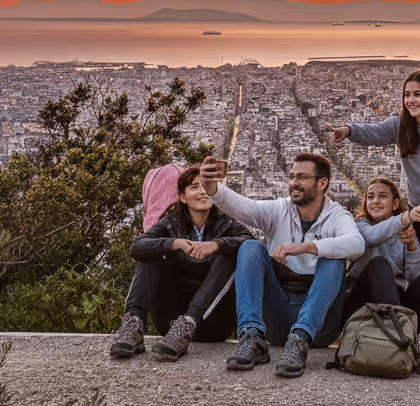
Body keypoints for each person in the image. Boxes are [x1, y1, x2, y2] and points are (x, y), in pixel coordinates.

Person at [330, 69, 420, 359]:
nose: (411, 100)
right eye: (407, 94)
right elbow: (375, 132)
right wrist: (348, 130)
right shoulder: (401, 126)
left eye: (417, 94)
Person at [199, 152, 365, 378]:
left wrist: (306, 247)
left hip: (319, 328)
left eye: (302, 177)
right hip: (276, 320)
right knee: (250, 247)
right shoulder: (279, 210)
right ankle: (252, 337)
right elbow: (243, 207)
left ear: (322, 183)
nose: (294, 183)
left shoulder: (337, 215)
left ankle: (300, 338)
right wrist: (211, 188)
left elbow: (356, 244)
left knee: (333, 257)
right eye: (292, 176)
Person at [110, 164, 255, 361]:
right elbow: (137, 247)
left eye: (206, 187)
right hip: (169, 324)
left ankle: (189, 323)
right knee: (151, 253)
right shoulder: (171, 223)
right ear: (183, 197)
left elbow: (252, 245)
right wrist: (174, 243)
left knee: (228, 256)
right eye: (195, 187)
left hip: (212, 323)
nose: (202, 192)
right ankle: (133, 324)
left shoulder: (226, 223)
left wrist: (216, 245)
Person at [348, 176, 420, 375]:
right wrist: (406, 217)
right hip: (363, 304)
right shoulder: (359, 225)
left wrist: (411, 245)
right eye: (370, 197)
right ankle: (400, 337)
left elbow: (416, 277)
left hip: (395, 305)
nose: (375, 201)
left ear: (395, 204)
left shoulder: (405, 231)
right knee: (379, 265)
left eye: (382, 196)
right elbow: (372, 237)